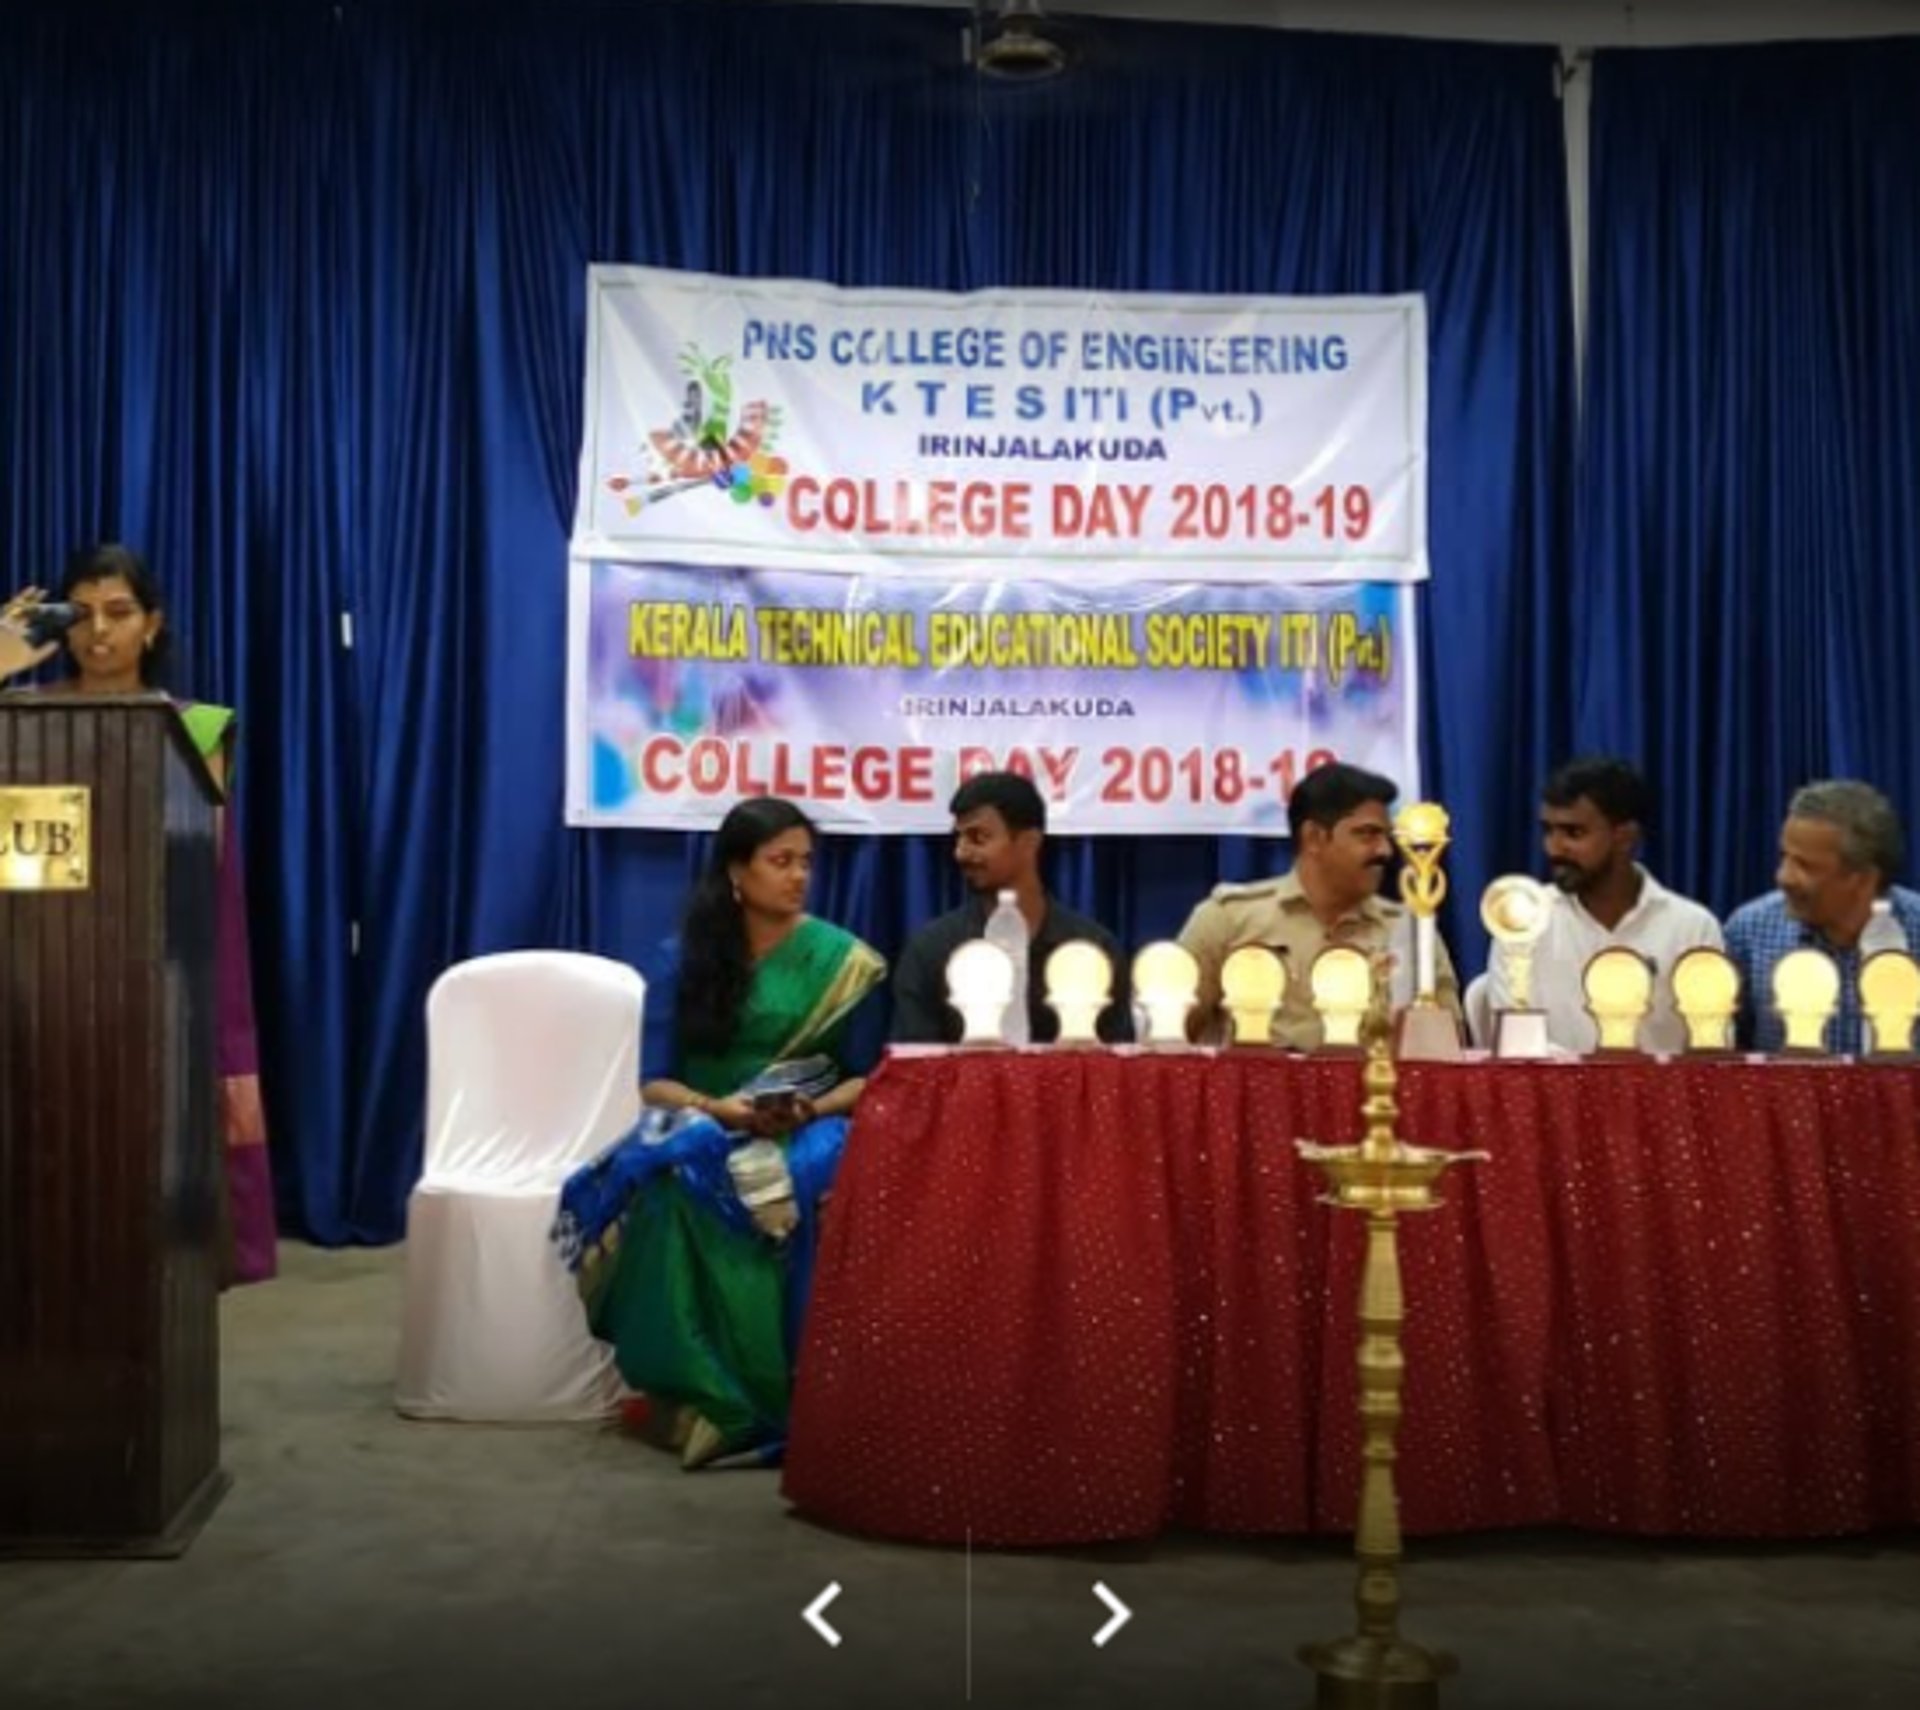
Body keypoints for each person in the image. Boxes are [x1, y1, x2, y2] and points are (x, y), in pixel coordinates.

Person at [552, 797, 885, 1470]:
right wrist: (718, 1108)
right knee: (678, 1173)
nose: (798, 876)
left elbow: (871, 1076)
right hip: (708, 1121)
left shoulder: (843, 961)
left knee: (795, 1174)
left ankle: (787, 1396)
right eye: (781, 861)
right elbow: (656, 1082)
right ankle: (705, 1393)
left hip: (812, 1123)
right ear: (737, 870)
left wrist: (813, 1110)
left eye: (806, 862)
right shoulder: (684, 960)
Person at [5, 547, 278, 1285]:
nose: (99, 632)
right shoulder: (22, 717)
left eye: (119, 613)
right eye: (80, 614)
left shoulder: (197, 728)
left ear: (152, 625)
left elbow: (198, 856)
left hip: (158, 968)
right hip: (43, 970)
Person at [1178, 761, 1460, 1048]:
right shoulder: (1229, 919)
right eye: (1367, 834)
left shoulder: (1409, 934)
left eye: (1386, 837)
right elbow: (1168, 1036)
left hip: (1376, 1077)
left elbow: (1450, 1048)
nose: (1385, 850)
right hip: (1261, 1076)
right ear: (1314, 837)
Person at [1486, 758, 1722, 1053]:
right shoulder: (1521, 923)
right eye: (1548, 831)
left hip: (1663, 1084)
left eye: (1574, 833)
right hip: (1551, 1083)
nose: (1553, 847)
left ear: (1624, 837)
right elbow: (1514, 1048)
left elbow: (1712, 1047)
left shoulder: (1693, 928)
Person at [889, 771, 1131, 1044]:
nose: (961, 852)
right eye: (959, 838)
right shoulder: (931, 951)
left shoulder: (1093, 951)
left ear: (1029, 842)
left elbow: (1120, 1063)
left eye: (978, 837)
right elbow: (912, 1062)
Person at [1725, 780, 1920, 1054]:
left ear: (1863, 878)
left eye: (1804, 865)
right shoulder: (1748, 931)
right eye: (1785, 857)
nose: (1783, 877)